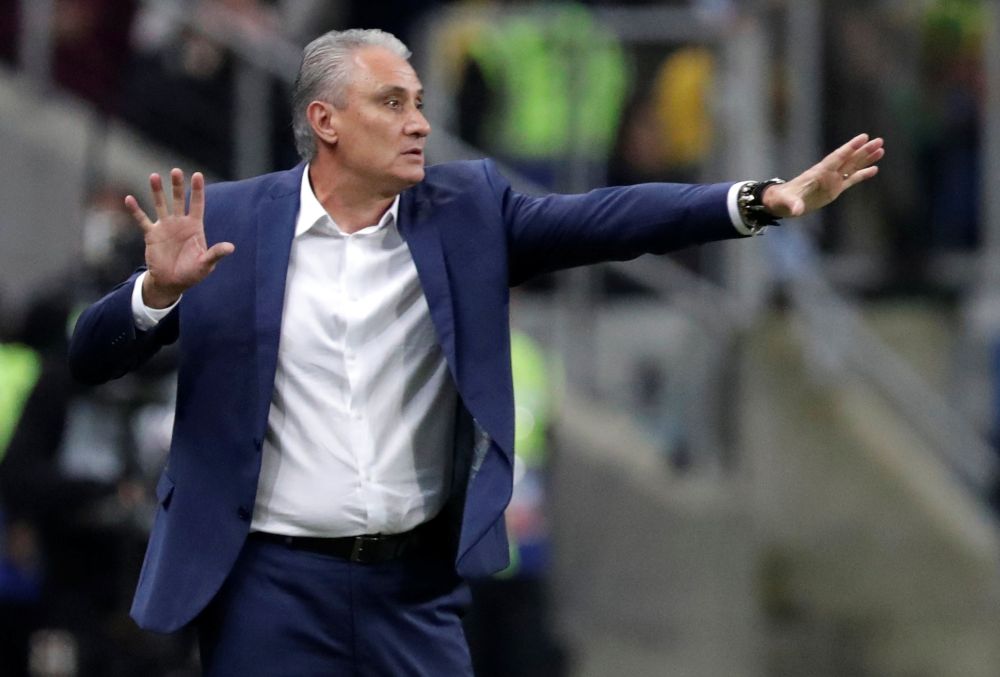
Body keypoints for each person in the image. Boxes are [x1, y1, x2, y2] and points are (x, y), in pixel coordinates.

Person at [68, 28, 884, 676]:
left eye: (419, 101)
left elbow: (606, 218)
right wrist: (157, 294)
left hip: (412, 592)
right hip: (270, 589)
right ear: (326, 121)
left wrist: (757, 202)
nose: (421, 121)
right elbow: (88, 355)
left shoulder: (468, 211)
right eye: (392, 102)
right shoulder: (236, 224)